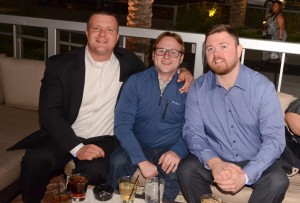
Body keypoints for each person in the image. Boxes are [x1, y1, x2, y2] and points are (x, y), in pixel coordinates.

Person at [18, 11, 193, 203]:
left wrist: (183, 72)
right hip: (65, 134)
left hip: (103, 139)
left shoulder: (128, 61)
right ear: (87, 33)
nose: (102, 35)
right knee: (35, 160)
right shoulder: (60, 65)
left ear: (117, 37)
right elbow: (49, 113)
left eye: (109, 30)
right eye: (96, 28)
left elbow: (161, 72)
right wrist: (77, 148)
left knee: (97, 170)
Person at [177, 24, 289, 203]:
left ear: (238, 50)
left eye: (223, 46)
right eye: (210, 49)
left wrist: (245, 175)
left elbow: (274, 139)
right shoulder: (198, 88)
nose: (216, 54)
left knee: (277, 181)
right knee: (187, 169)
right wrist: (214, 163)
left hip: (253, 157)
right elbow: (192, 132)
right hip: (216, 156)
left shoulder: (261, 88)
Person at [107, 31, 189, 200]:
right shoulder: (136, 82)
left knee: (174, 173)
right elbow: (122, 125)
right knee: (118, 162)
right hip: (139, 143)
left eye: (173, 52)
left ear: (181, 58)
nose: (166, 56)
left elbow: (193, 128)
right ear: (153, 55)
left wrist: (177, 151)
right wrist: (141, 160)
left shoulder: (190, 89)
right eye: (161, 51)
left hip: (170, 146)